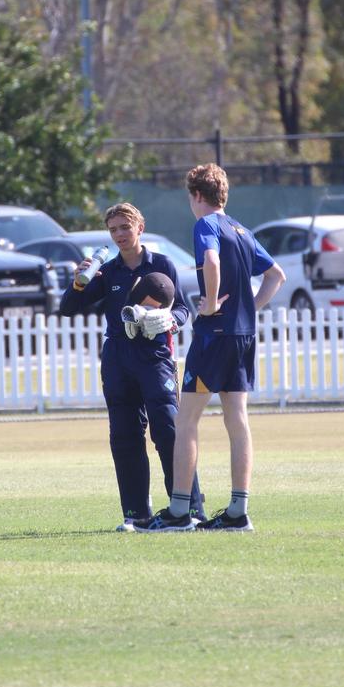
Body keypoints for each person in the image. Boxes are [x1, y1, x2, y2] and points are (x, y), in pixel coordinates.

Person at [134, 164, 285, 533]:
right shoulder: (242, 229)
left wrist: (213, 303)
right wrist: (248, 308)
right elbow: (276, 276)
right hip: (242, 334)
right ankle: (238, 511)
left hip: (214, 335)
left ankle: (180, 511)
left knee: (186, 420)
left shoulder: (207, 225)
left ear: (197, 195)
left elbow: (212, 260)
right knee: (237, 420)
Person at [59, 202, 205, 531]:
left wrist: (169, 321)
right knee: (124, 436)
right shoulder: (108, 271)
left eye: (125, 227)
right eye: (113, 230)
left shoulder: (161, 264)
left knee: (168, 430)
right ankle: (136, 514)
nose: (120, 235)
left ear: (140, 227)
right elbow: (68, 307)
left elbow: (183, 310)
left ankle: (189, 509)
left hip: (155, 358)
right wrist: (79, 282)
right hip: (117, 359)